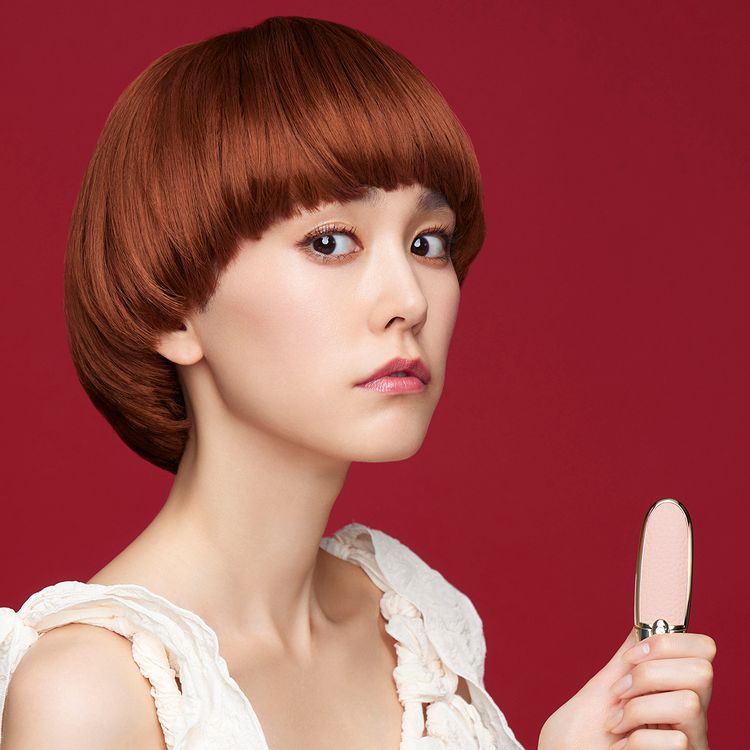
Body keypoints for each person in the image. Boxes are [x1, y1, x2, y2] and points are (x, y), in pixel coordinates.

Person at [0, 16, 715, 750]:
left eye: (427, 242)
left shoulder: (407, 622)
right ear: (173, 309)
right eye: (330, 241)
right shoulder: (92, 695)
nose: (409, 299)